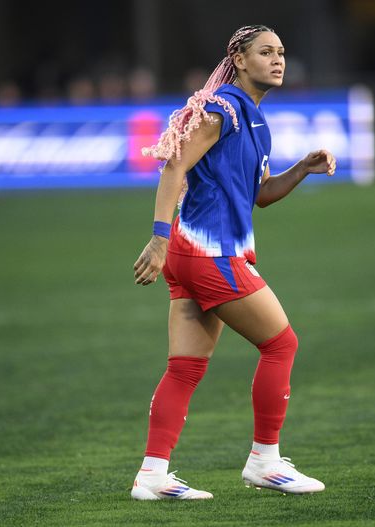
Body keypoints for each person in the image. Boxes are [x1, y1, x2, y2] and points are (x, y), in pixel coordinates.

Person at [131, 25, 336, 500]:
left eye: (282, 52)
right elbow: (173, 166)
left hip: (196, 252)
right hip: (209, 253)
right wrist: (157, 239)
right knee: (281, 344)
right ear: (240, 60)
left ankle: (152, 476)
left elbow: (259, 195)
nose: (278, 59)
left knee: (184, 368)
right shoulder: (223, 109)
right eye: (266, 52)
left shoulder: (255, 119)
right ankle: (265, 461)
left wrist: (301, 169)